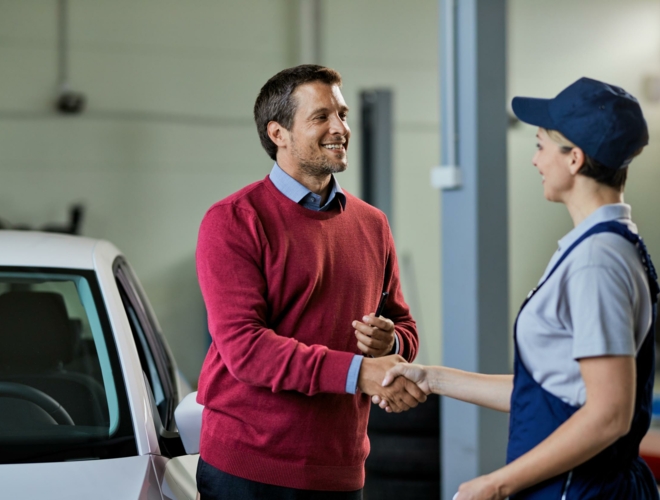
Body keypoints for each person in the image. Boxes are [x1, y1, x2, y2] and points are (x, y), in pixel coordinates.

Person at [379, 77, 660, 499]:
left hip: (579, 492)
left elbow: (610, 414)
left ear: (575, 159)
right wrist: (432, 377)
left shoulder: (596, 262)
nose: (535, 160)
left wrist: (494, 484)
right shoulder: (603, 247)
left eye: (541, 145)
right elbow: (547, 392)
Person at [194, 64, 425, 500]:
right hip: (248, 471)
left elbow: (405, 328)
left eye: (342, 113)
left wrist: (388, 344)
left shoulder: (372, 224)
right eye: (321, 116)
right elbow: (245, 347)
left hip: (339, 470)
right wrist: (359, 372)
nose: (340, 127)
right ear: (278, 133)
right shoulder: (234, 221)